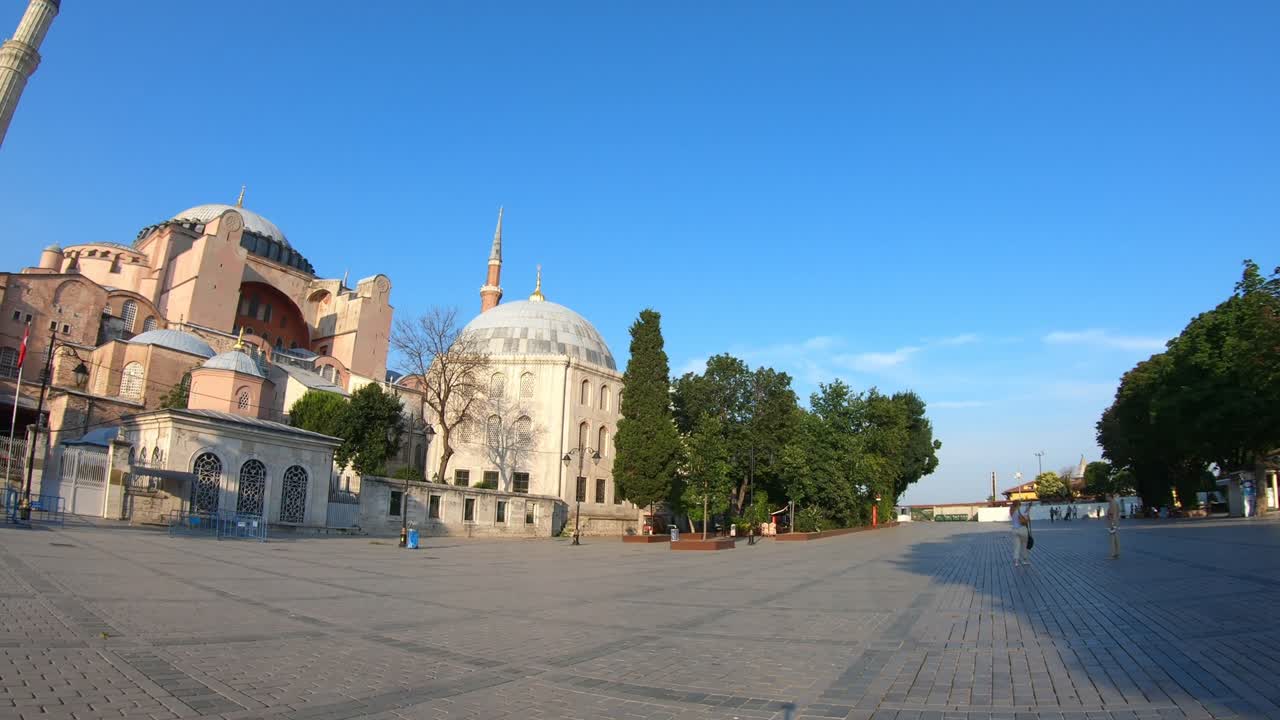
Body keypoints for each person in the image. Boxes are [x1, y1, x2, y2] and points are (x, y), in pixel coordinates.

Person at [1010, 500, 1031, 567]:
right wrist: (1029, 509)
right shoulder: (1021, 511)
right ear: (1019, 504)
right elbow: (1026, 517)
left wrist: (1028, 508)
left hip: (1014, 530)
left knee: (1017, 546)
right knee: (1024, 545)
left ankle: (1016, 562)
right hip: (1022, 529)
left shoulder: (1012, 511)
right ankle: (1024, 560)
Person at [1106, 493, 1121, 559]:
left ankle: (1113, 554)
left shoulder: (1113, 503)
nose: (1106, 498)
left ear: (1110, 497)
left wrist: (1112, 523)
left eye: (1106, 496)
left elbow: (1114, 513)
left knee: (1112, 538)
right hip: (1114, 522)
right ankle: (1117, 553)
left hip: (1113, 522)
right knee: (1115, 538)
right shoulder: (1113, 502)